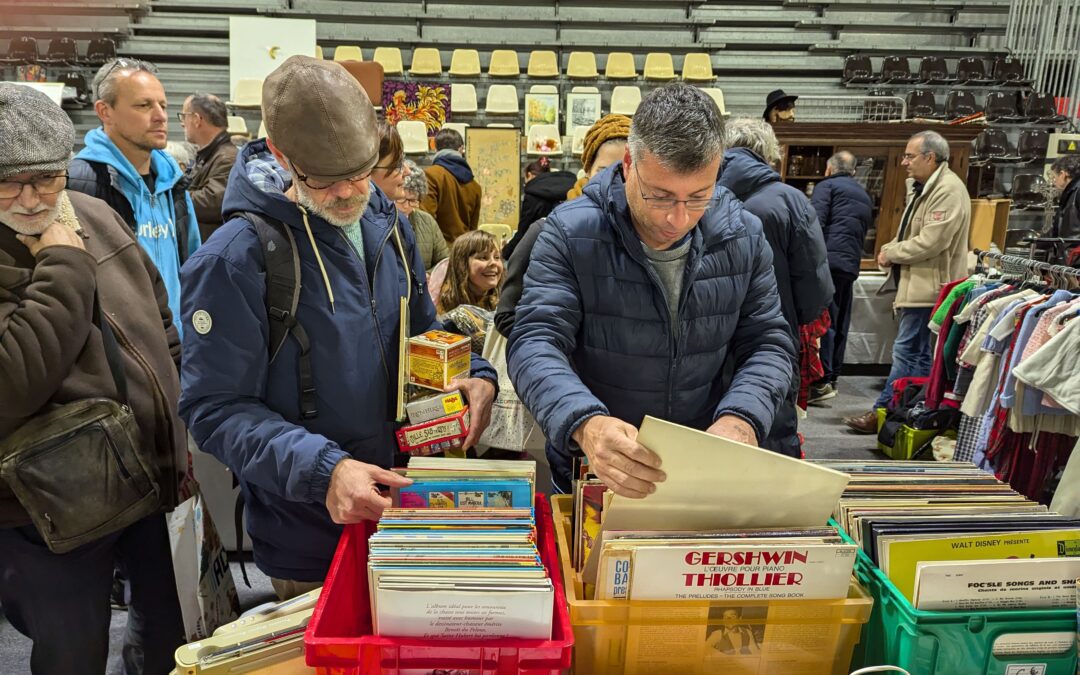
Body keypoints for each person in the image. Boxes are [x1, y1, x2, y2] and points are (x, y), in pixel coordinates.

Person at [178, 56, 497, 600]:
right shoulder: (233, 260)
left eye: (361, 172)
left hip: (404, 506)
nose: (350, 193)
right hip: (307, 531)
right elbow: (213, 409)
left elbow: (420, 330)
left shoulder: (389, 225)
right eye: (324, 181)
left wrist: (472, 371)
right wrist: (324, 470)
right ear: (279, 155)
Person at [507, 83, 796, 495]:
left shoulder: (743, 234)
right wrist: (585, 423)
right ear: (629, 163)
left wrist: (743, 416)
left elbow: (768, 341)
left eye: (699, 196)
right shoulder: (569, 234)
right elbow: (534, 341)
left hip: (701, 471)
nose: (678, 219)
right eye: (659, 196)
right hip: (596, 469)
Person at [0, 83, 186, 675]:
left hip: (150, 475)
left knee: (170, 637)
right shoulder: (60, 241)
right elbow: (13, 381)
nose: (31, 199)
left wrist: (177, 419)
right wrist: (62, 263)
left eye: (47, 178)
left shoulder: (99, 214)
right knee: (73, 654)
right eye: (8, 181)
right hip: (50, 507)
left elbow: (159, 319)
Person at [717, 117, 832, 458]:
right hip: (773, 338)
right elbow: (815, 290)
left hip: (709, 343)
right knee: (769, 423)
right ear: (769, 153)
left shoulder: (700, 196)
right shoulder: (789, 201)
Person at [844, 130, 970, 434]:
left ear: (930, 157)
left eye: (910, 156)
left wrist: (890, 252)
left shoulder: (948, 189)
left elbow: (931, 241)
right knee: (921, 356)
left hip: (928, 290)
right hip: (919, 287)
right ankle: (911, 415)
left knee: (907, 352)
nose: (904, 162)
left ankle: (884, 412)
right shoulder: (924, 187)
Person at [67, 57, 201, 335]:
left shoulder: (173, 181)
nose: (160, 115)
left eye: (162, 105)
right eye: (144, 105)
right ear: (105, 112)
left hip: (175, 342)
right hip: (120, 350)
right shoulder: (79, 182)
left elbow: (193, 264)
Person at [495, 115, 631, 337]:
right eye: (603, 171)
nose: (614, 181)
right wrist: (560, 350)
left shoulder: (650, 236)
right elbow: (507, 314)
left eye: (624, 171)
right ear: (587, 170)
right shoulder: (545, 231)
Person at [808, 151, 874, 403]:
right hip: (850, 264)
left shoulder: (827, 187)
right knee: (841, 320)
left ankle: (820, 381)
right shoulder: (862, 194)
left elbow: (814, 223)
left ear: (828, 169)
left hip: (827, 263)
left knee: (824, 322)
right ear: (853, 171)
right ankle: (833, 375)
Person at [180, 92, 238, 241]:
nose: (182, 123)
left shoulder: (227, 158)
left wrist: (172, 196)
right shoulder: (210, 154)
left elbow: (212, 203)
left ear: (196, 119)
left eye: (184, 116)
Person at [421, 127, 482, 245]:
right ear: (461, 149)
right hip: (464, 251)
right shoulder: (475, 186)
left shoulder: (431, 175)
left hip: (440, 254)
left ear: (436, 148)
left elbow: (426, 220)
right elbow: (473, 229)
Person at [436, 229, 505, 316]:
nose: (493, 263)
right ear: (462, 264)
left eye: (497, 257)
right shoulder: (444, 307)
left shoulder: (506, 302)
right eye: (483, 257)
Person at [400, 158, 448, 272]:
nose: (406, 206)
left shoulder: (427, 221)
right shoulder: (380, 221)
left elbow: (444, 261)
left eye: (412, 201)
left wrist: (428, 275)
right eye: (401, 200)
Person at [515, 157, 575, 244]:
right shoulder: (569, 187)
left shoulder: (532, 194)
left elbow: (522, 234)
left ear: (529, 175)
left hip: (539, 246)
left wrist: (504, 252)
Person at [1050, 154, 1080, 240]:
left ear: (1063, 175)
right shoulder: (1070, 193)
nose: (1053, 183)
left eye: (1054, 178)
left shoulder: (1077, 192)